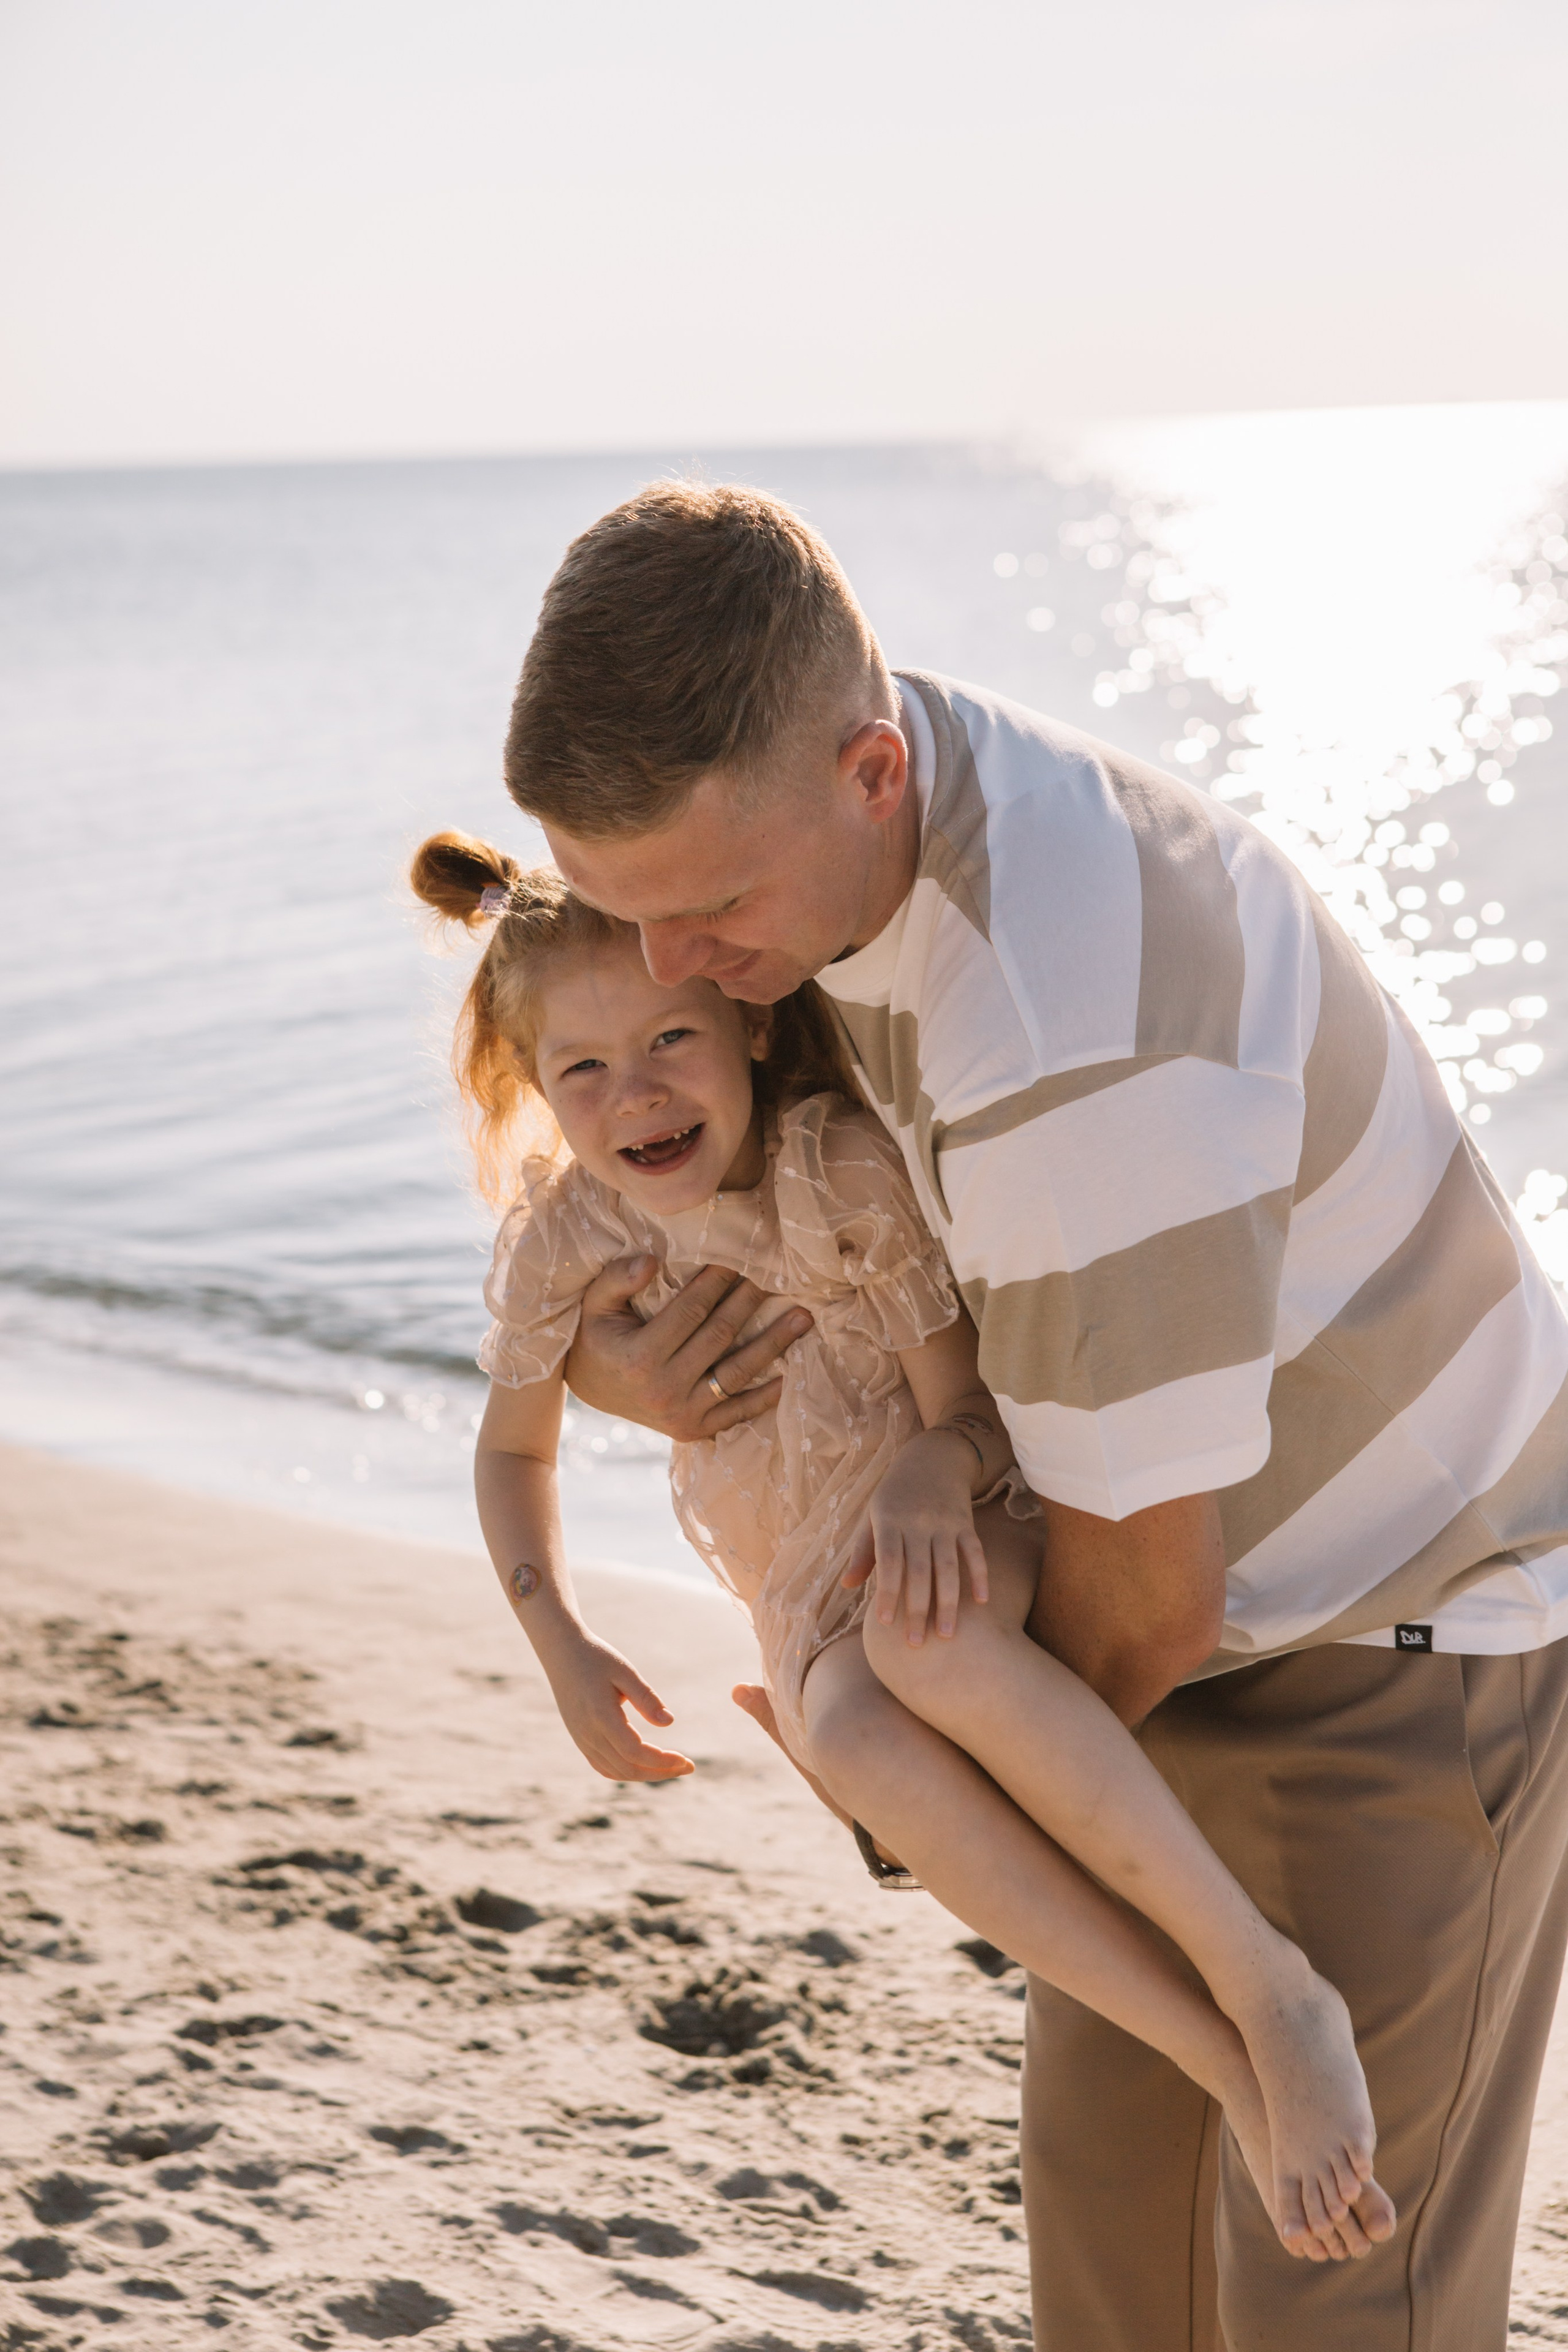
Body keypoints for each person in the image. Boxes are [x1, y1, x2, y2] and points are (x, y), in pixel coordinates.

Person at [492, 480, 1568, 2351]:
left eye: (710, 914)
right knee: (1118, 2290)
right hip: (1142, 1659)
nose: (674, 974)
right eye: (630, 911)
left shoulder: (1069, 1056)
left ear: (873, 768)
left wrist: (904, 1800)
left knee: (1329, 2306)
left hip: (1383, 1651)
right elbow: (707, 1201)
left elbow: (1138, 1605)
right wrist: (607, 1362)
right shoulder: (812, 828)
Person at [409, 830, 1396, 2263]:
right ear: (536, 1087)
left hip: (949, 1519)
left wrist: (935, 1475)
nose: (637, 1096)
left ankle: (1269, 1988)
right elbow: (510, 1454)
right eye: (584, 1072)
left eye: (669, 1039)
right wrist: (556, 1641)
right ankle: (1220, 2060)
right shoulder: (565, 1237)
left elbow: (963, 1410)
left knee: (918, 1642)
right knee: (860, 1741)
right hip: (806, 1595)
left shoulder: (833, 1169)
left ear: (746, 1019)